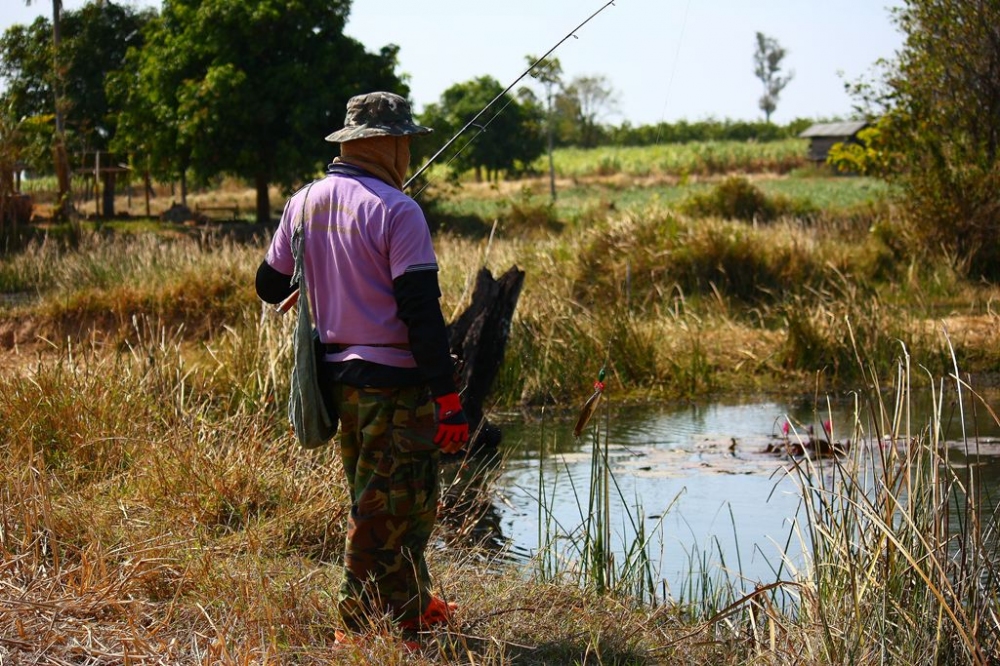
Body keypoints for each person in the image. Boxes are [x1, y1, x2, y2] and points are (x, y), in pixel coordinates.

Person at [255, 91, 469, 638]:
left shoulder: (303, 201)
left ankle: (412, 605)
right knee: (384, 509)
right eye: (403, 141)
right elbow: (421, 315)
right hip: (395, 387)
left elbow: (268, 283)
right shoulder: (399, 211)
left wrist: (315, 278)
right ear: (383, 143)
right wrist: (448, 401)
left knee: (408, 503)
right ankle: (354, 624)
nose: (406, 151)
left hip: (340, 382)